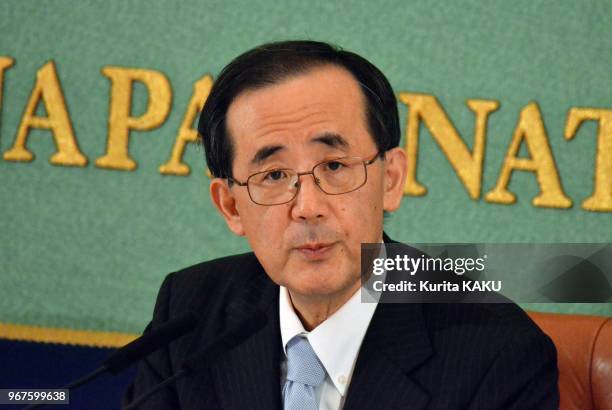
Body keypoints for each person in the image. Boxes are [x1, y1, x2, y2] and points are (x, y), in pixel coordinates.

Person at [124, 40, 559, 409]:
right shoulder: (189, 311)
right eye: (274, 175)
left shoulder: (496, 351)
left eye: (334, 165)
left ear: (390, 180)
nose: (308, 207)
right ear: (231, 207)